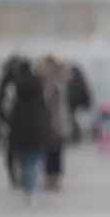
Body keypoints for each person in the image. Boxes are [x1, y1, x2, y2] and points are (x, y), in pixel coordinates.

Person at [3, 59, 50, 201]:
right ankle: (32, 186)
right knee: (35, 158)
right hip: (37, 125)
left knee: (24, 158)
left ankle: (27, 186)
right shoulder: (38, 84)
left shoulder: (15, 84)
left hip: (19, 126)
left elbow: (7, 105)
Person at [39, 56, 72, 191]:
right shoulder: (46, 82)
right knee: (49, 152)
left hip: (56, 122)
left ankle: (55, 179)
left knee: (56, 152)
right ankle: (50, 178)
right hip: (48, 122)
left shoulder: (57, 82)